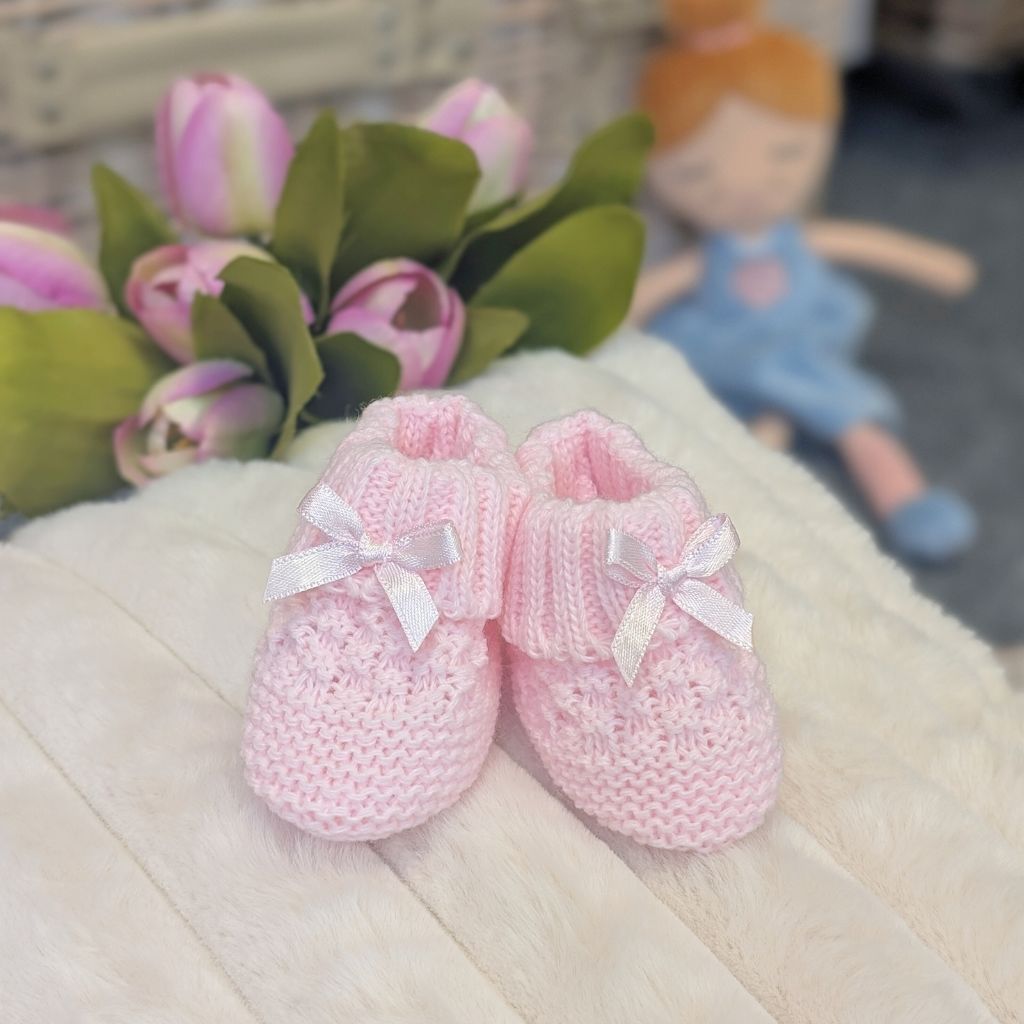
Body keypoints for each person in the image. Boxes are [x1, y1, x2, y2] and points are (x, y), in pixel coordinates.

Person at [633, 0, 978, 563]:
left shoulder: (793, 240)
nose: (749, 187)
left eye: (786, 154)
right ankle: (733, 524)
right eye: (697, 173)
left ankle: (908, 501)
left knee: (857, 422)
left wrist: (935, 266)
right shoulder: (710, 257)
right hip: (730, 349)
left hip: (803, 344)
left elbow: (864, 242)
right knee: (742, 434)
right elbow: (661, 286)